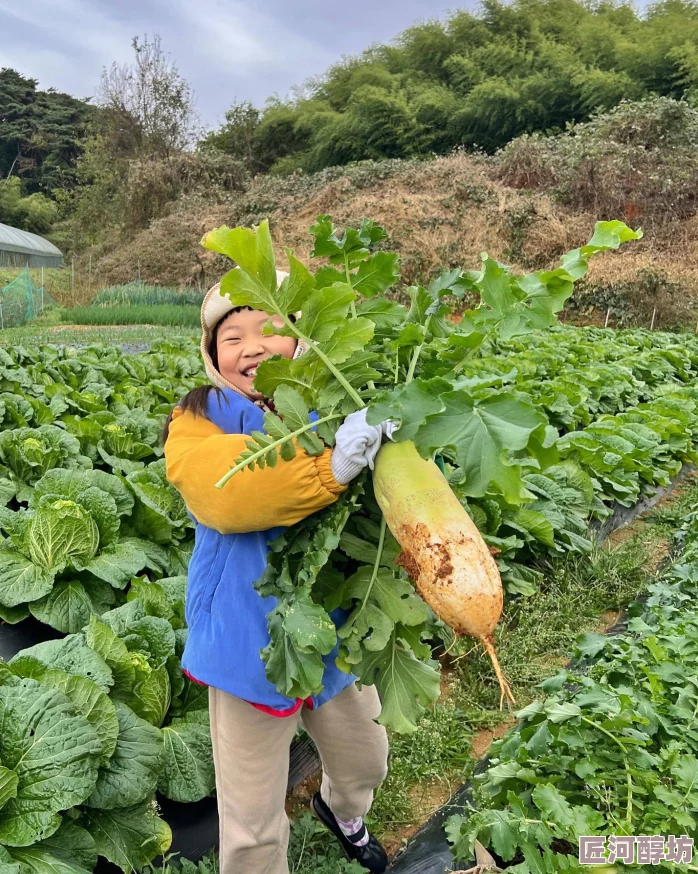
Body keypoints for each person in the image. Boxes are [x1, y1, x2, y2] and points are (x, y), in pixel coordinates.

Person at [163, 271, 391, 874]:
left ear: (302, 340)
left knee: (367, 759)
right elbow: (224, 492)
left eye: (270, 327)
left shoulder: (341, 402)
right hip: (245, 639)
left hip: (335, 622)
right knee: (252, 822)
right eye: (231, 338)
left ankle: (341, 812)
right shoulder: (198, 416)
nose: (252, 347)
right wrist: (331, 468)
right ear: (213, 357)